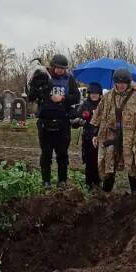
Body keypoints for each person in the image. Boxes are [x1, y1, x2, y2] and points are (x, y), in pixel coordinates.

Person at [91, 68, 136, 193]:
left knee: (133, 165)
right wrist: (95, 133)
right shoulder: (108, 96)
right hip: (111, 136)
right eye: (118, 82)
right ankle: (106, 194)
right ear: (115, 82)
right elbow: (98, 115)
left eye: (124, 83)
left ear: (129, 82)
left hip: (132, 137)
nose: (121, 85)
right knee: (109, 163)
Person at [27, 54, 80, 187]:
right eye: (58, 68)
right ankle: (46, 181)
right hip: (45, 120)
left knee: (62, 153)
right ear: (52, 67)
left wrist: (62, 98)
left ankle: (62, 180)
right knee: (46, 153)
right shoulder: (42, 76)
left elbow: (76, 98)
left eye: (63, 69)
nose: (61, 71)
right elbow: (31, 97)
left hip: (63, 120)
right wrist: (37, 89)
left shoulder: (69, 79)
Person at [72, 82, 102, 189]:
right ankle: (89, 183)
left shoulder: (103, 105)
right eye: (92, 93)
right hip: (88, 138)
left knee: (99, 161)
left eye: (96, 93)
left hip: (101, 137)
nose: (94, 95)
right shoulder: (84, 105)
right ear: (89, 94)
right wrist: (79, 121)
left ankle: (98, 182)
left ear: (100, 94)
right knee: (89, 161)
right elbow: (74, 120)